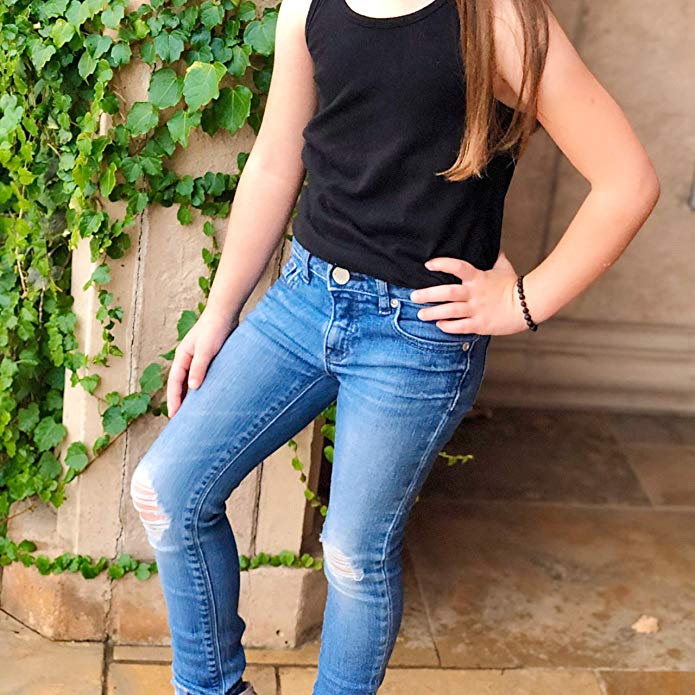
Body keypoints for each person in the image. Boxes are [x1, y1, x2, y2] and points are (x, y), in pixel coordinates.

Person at [129, 0, 660, 693]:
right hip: (304, 298)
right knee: (167, 490)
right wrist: (218, 311)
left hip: (416, 336)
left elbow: (627, 180)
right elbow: (274, 163)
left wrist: (521, 302)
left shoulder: (497, 19)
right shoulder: (308, 7)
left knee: (352, 554)